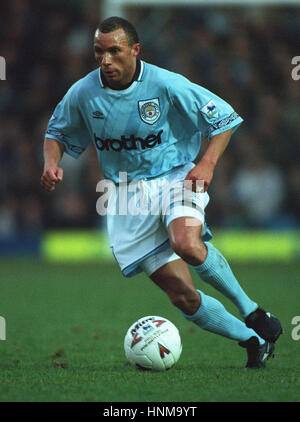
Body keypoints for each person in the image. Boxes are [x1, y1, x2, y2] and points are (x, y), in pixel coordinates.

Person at [41, 16, 282, 369]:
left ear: (135, 50)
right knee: (182, 297)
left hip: (174, 177)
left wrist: (208, 164)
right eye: (98, 52)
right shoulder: (83, 93)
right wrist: (51, 163)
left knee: (186, 243)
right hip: (125, 197)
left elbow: (225, 118)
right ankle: (253, 340)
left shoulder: (166, 84)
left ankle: (252, 311)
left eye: (114, 51)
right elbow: (56, 133)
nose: (105, 60)